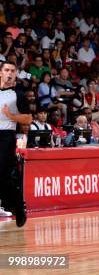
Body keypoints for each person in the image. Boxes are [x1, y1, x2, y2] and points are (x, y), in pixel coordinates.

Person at [0, 61, 32, 226]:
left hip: (5, 135)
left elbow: (28, 118)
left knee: (3, 174)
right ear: (1, 72)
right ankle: (15, 206)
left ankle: (18, 207)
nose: (9, 73)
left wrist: (11, 116)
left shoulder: (17, 94)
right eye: (6, 70)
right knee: (5, 177)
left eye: (12, 70)